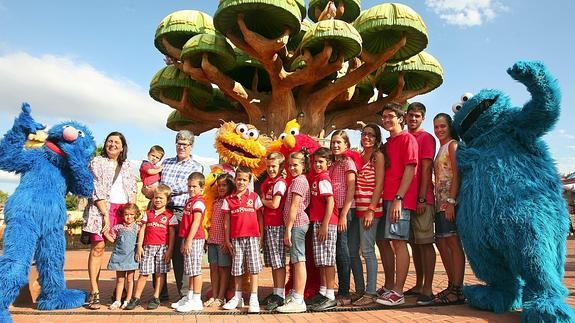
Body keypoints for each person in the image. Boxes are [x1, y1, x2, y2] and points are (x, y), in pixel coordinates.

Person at [82, 131, 137, 310]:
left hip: (123, 210)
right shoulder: (97, 162)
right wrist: (105, 213)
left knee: (124, 249)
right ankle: (95, 292)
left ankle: (118, 291)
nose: (112, 144)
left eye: (116, 142)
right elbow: (95, 188)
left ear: (122, 147)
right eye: (109, 141)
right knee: (98, 248)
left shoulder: (128, 165)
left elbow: (133, 188)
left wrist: (132, 212)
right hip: (101, 208)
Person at [375, 103, 419, 307]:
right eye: (383, 116)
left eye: (390, 116)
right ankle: (390, 285)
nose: (386, 120)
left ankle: (398, 292)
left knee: (399, 242)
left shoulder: (407, 139)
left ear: (401, 118)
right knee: (384, 241)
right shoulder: (388, 142)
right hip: (386, 198)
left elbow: (410, 170)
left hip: (398, 200)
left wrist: (399, 199)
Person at [158, 130, 203, 301]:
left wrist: (163, 189)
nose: (181, 147)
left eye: (185, 144)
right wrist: (156, 188)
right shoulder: (166, 162)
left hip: (179, 211)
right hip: (162, 210)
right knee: (158, 250)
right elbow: (155, 182)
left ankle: (185, 294)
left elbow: (185, 186)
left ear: (191, 146)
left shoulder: (195, 166)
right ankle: (159, 294)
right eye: (179, 143)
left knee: (179, 253)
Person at [124, 184, 177, 310]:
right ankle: (136, 298)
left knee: (160, 273)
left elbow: (172, 235)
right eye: (155, 198)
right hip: (147, 247)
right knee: (144, 273)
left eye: (161, 198)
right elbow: (142, 230)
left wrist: (169, 250)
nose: (157, 200)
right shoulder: (148, 214)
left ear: (167, 200)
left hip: (163, 248)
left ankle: (156, 297)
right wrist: (139, 246)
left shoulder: (170, 216)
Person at [432, 113, 466, 305]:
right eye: (436, 127)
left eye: (442, 126)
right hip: (440, 202)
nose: (439, 130)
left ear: (450, 127)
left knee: (453, 243)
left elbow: (457, 174)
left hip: (450, 202)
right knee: (442, 242)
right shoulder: (441, 148)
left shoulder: (453, 145)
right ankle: (452, 284)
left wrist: (452, 202)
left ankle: (458, 288)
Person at [405, 102, 437, 306]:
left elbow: (426, 169)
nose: (413, 119)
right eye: (410, 115)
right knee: (414, 243)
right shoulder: (406, 138)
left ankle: (428, 287)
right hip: (407, 199)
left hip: (422, 199)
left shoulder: (426, 138)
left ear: (422, 118)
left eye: (417, 116)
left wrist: (422, 197)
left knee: (425, 243)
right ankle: (418, 284)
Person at [221, 166, 264, 313]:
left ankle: (254, 298)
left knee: (254, 268)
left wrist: (261, 236)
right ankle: (237, 297)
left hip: (252, 237)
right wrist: (227, 240)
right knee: (237, 268)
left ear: (249, 181)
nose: (241, 182)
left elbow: (260, 217)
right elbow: (226, 222)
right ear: (235, 179)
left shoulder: (254, 197)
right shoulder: (228, 200)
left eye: (245, 180)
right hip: (236, 238)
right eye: (239, 179)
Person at [353, 123, 386, 306]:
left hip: (370, 210)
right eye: (364, 134)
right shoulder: (359, 156)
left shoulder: (377, 156)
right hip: (359, 209)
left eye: (371, 135)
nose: (367, 137)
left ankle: (371, 292)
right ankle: (365, 290)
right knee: (361, 251)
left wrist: (371, 210)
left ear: (377, 138)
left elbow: (379, 184)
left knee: (367, 251)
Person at [329, 130, 362, 305]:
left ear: (346, 145)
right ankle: (341, 288)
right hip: (334, 209)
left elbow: (351, 188)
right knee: (337, 249)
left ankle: (344, 292)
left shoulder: (348, 162)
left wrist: (343, 214)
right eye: (333, 142)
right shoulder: (333, 164)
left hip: (345, 209)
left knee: (343, 250)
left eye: (339, 142)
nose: (335, 145)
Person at [276, 150, 311, 313]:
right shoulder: (297, 180)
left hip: (297, 224)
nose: (292, 168)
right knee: (297, 260)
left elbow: (294, 206)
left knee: (298, 260)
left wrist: (288, 229)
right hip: (296, 224)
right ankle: (297, 296)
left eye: (295, 165)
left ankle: (298, 299)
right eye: (290, 165)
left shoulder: (299, 182)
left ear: (303, 165)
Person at [306, 147, 338, 312]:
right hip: (318, 222)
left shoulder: (323, 179)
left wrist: (325, 224)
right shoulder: (316, 178)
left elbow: (330, 202)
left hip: (326, 223)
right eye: (315, 161)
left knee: (328, 259)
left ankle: (330, 295)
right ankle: (323, 291)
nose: (317, 164)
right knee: (321, 260)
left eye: (321, 162)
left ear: (328, 163)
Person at [173, 172, 207, 312]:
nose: (191, 189)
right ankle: (190, 296)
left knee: (195, 270)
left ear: (201, 188)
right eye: (189, 186)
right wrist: (183, 240)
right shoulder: (189, 201)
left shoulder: (199, 202)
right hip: (187, 239)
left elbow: (196, 223)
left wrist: (188, 240)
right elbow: (185, 224)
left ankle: (197, 299)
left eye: (194, 186)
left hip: (195, 239)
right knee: (190, 270)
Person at [260, 152, 288, 311]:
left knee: (278, 261)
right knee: (273, 262)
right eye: (269, 166)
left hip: (277, 224)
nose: (271, 169)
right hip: (269, 225)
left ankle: (280, 294)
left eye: (274, 166)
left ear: (281, 167)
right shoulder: (268, 182)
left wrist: (262, 200)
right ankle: (276, 291)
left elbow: (275, 204)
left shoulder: (279, 183)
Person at [203, 173, 234, 308]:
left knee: (223, 269)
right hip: (212, 241)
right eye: (219, 185)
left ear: (230, 186)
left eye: (224, 185)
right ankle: (214, 295)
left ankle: (221, 296)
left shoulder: (230, 202)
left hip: (223, 241)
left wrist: (227, 241)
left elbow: (231, 224)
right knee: (213, 268)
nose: (221, 188)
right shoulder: (215, 202)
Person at [104, 203, 141, 310]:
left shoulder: (137, 228)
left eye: (131, 214)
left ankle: (127, 300)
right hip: (119, 257)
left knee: (130, 279)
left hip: (131, 257)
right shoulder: (118, 228)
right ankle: (117, 300)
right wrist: (106, 234)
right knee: (120, 280)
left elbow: (141, 239)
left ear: (136, 215)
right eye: (126, 214)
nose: (129, 217)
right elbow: (112, 240)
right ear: (122, 215)